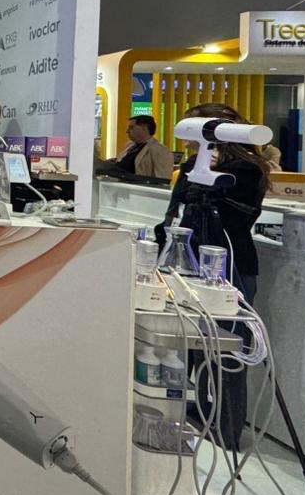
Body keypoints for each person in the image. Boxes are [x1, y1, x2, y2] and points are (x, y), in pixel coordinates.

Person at [160, 102, 270, 452]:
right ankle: (204, 410)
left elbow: (233, 216)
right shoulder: (194, 164)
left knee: (227, 348)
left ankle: (227, 427)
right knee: (195, 343)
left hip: (230, 264)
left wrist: (205, 180)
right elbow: (181, 209)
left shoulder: (247, 169)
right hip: (190, 260)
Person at [113, 114, 175, 179]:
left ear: (144, 129)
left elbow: (162, 179)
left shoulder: (161, 151)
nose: (127, 131)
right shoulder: (130, 145)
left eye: (131, 127)